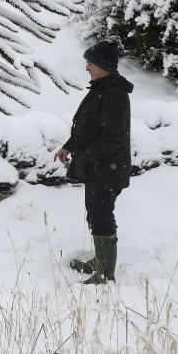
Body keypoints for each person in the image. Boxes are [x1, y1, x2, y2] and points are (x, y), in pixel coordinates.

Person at [53, 37, 133, 285]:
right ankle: (100, 260)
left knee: (101, 215)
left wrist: (84, 156)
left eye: (90, 63)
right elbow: (89, 128)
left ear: (104, 65)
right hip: (99, 168)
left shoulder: (114, 94)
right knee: (95, 213)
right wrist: (69, 145)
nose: (86, 68)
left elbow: (113, 137)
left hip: (107, 170)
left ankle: (105, 272)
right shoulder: (102, 88)